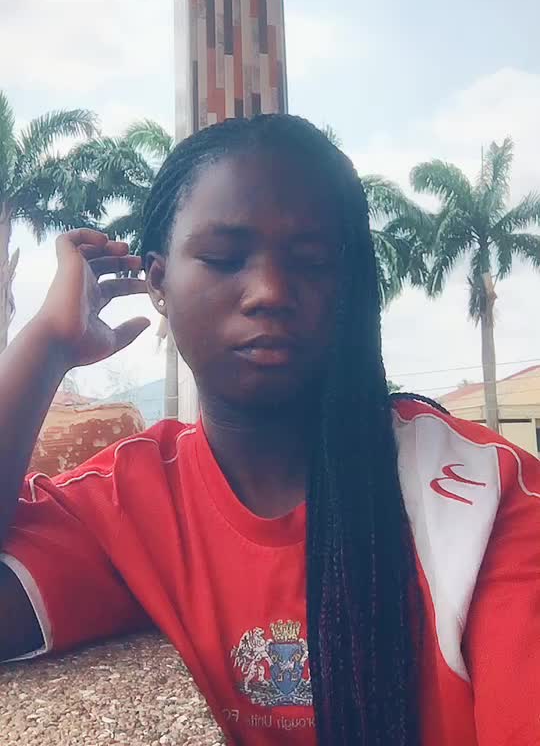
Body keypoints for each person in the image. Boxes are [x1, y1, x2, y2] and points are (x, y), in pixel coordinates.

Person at [0, 115, 538, 746]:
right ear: (157, 282)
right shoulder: (127, 501)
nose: (270, 291)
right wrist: (46, 345)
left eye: (312, 262)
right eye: (224, 259)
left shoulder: (484, 497)